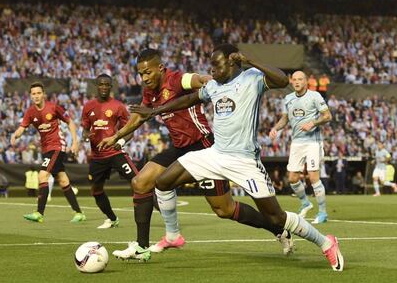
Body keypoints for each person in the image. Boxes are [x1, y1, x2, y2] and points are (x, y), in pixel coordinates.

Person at [132, 44, 344, 271]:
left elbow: (282, 81)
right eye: (210, 65)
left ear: (233, 62)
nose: (211, 70)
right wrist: (155, 111)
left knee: (276, 218)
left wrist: (250, 60)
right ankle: (173, 235)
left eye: (216, 64)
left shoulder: (252, 78)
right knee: (163, 182)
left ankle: (326, 242)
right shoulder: (213, 85)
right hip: (215, 154)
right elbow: (189, 100)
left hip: (244, 161)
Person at [98, 48, 293, 261]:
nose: (144, 78)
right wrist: (117, 136)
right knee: (141, 182)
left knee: (224, 210)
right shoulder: (150, 91)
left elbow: (200, 80)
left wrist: (220, 80)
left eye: (148, 73)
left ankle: (278, 229)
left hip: (203, 146)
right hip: (179, 147)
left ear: (160, 68)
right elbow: (139, 118)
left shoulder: (177, 80)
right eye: (140, 74)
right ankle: (143, 247)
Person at [11, 82, 85, 223]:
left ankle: (39, 213)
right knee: (63, 180)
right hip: (46, 149)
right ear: (31, 96)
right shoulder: (30, 112)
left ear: (43, 94)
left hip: (57, 146)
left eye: (39, 93)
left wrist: (75, 142)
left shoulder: (54, 107)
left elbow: (70, 122)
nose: (36, 96)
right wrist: (15, 135)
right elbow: (22, 128)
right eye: (33, 94)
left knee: (42, 175)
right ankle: (79, 213)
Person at [270, 71, 332, 224]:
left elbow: (328, 116)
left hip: (313, 142)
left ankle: (323, 213)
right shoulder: (288, 98)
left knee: (313, 176)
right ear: (291, 82)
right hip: (297, 142)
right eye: (295, 80)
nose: (297, 82)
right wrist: (276, 128)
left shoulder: (315, 96)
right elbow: (285, 118)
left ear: (305, 82)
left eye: (300, 79)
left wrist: (314, 123)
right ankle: (305, 203)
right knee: (292, 178)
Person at [81, 73, 138, 229]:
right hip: (97, 157)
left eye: (107, 84)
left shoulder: (118, 106)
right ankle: (112, 219)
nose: (104, 87)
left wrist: (120, 141)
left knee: (139, 182)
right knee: (96, 190)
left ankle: (166, 217)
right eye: (101, 84)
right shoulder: (88, 106)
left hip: (115, 153)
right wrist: (86, 136)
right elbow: (85, 130)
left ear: (111, 87)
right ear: (96, 86)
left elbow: (130, 130)